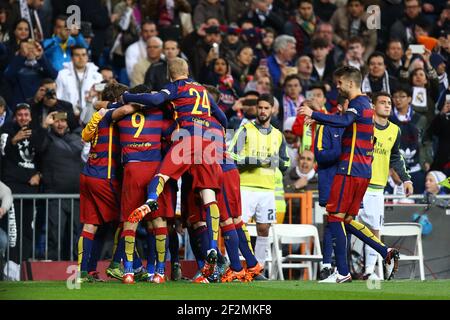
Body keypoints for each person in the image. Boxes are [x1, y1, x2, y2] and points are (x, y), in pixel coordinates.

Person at [120, 58, 228, 283]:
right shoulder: (202, 89)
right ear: (188, 71)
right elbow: (222, 117)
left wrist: (127, 96)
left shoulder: (175, 87)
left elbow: (155, 99)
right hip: (208, 142)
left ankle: (150, 201)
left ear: (170, 74)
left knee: (161, 175)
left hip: (186, 139)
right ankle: (213, 247)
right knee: (208, 196)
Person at [299, 66, 398, 283]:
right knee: (348, 219)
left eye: (339, 83)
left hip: (349, 170)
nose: (337, 87)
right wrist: (321, 120)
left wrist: (315, 113)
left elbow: (345, 122)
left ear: (350, 83)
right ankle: (385, 252)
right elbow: (351, 128)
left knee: (334, 216)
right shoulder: (365, 106)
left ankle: (342, 272)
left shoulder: (358, 103)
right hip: (362, 171)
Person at [228, 93, 290, 269]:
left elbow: (286, 163)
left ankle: (258, 267)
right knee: (238, 226)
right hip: (245, 186)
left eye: (266, 108)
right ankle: (234, 265)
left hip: (267, 189)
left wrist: (275, 161)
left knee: (264, 229)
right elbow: (231, 156)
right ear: (256, 109)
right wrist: (254, 161)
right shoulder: (245, 129)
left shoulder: (278, 135)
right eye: (260, 108)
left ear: (273, 110)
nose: (262, 111)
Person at [357, 92, 413, 280]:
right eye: (382, 102)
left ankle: (368, 271)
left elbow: (396, 157)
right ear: (373, 106)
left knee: (375, 230)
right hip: (357, 184)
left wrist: (406, 179)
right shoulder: (364, 126)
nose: (387, 105)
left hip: (377, 189)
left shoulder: (395, 130)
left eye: (389, 103)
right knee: (347, 226)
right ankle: (342, 268)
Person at [0, 103, 45, 263]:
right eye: (20, 115)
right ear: (15, 117)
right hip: (13, 191)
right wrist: (13, 141)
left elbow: (43, 157)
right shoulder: (6, 131)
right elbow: (3, 158)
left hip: (31, 191)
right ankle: (11, 265)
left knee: (28, 228)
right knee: (13, 231)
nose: (23, 118)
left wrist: (39, 174)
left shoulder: (37, 133)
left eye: (26, 114)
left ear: (30, 117)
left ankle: (23, 263)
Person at [38, 111, 84, 261]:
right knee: (54, 233)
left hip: (76, 196)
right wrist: (44, 126)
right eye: (57, 121)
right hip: (55, 196)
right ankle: (53, 265)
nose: (60, 124)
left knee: (77, 233)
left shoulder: (77, 139)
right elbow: (37, 149)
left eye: (63, 121)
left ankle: (77, 266)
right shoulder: (46, 138)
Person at [4, 39, 57, 108]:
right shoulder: (16, 64)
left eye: (33, 48)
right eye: (28, 48)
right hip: (20, 108)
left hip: (39, 107)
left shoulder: (43, 65)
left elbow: (53, 75)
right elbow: (7, 76)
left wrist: (41, 57)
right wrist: (21, 56)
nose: (31, 51)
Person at [55, 46, 103, 121]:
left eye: (83, 55)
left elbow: (101, 98)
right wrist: (62, 116)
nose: (81, 58)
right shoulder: (62, 75)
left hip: (91, 117)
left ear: (87, 57)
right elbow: (58, 98)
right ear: (71, 58)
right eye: (77, 55)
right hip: (68, 117)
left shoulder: (97, 76)